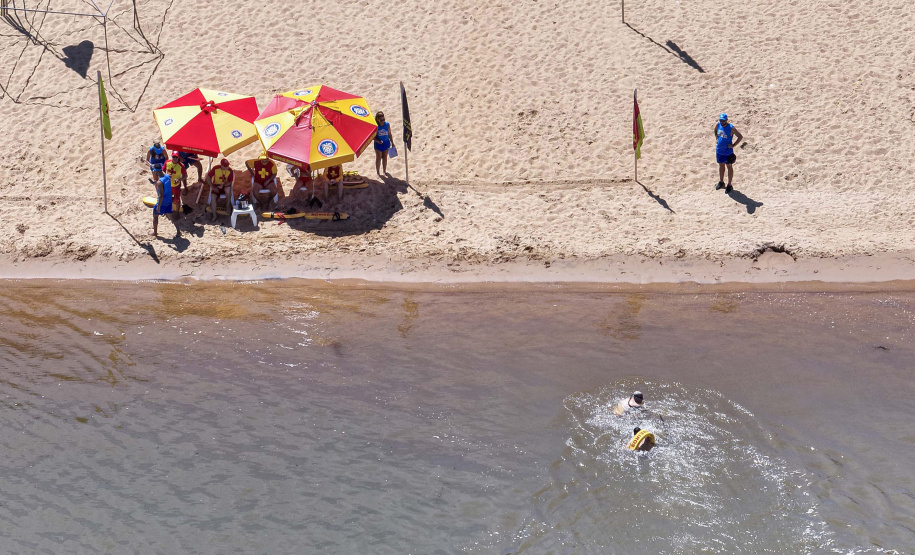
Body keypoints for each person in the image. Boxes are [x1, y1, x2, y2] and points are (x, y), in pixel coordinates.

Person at [714, 113, 743, 193]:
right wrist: (716, 138)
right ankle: (721, 181)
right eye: (721, 120)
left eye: (723, 121)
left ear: (727, 120)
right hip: (719, 151)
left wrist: (733, 145)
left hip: (728, 152)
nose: (722, 122)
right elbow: (715, 130)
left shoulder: (731, 128)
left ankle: (729, 185)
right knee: (721, 165)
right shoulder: (718, 124)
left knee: (729, 167)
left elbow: (740, 136)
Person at [374, 112, 392, 176]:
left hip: (386, 142)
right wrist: (377, 141)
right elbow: (372, 137)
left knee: (385, 157)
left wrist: (392, 142)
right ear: (377, 119)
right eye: (381, 120)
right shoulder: (376, 126)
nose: (382, 121)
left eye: (383, 119)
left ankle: (384, 171)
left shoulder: (387, 124)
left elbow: (389, 134)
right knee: (378, 158)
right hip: (378, 143)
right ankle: (378, 172)